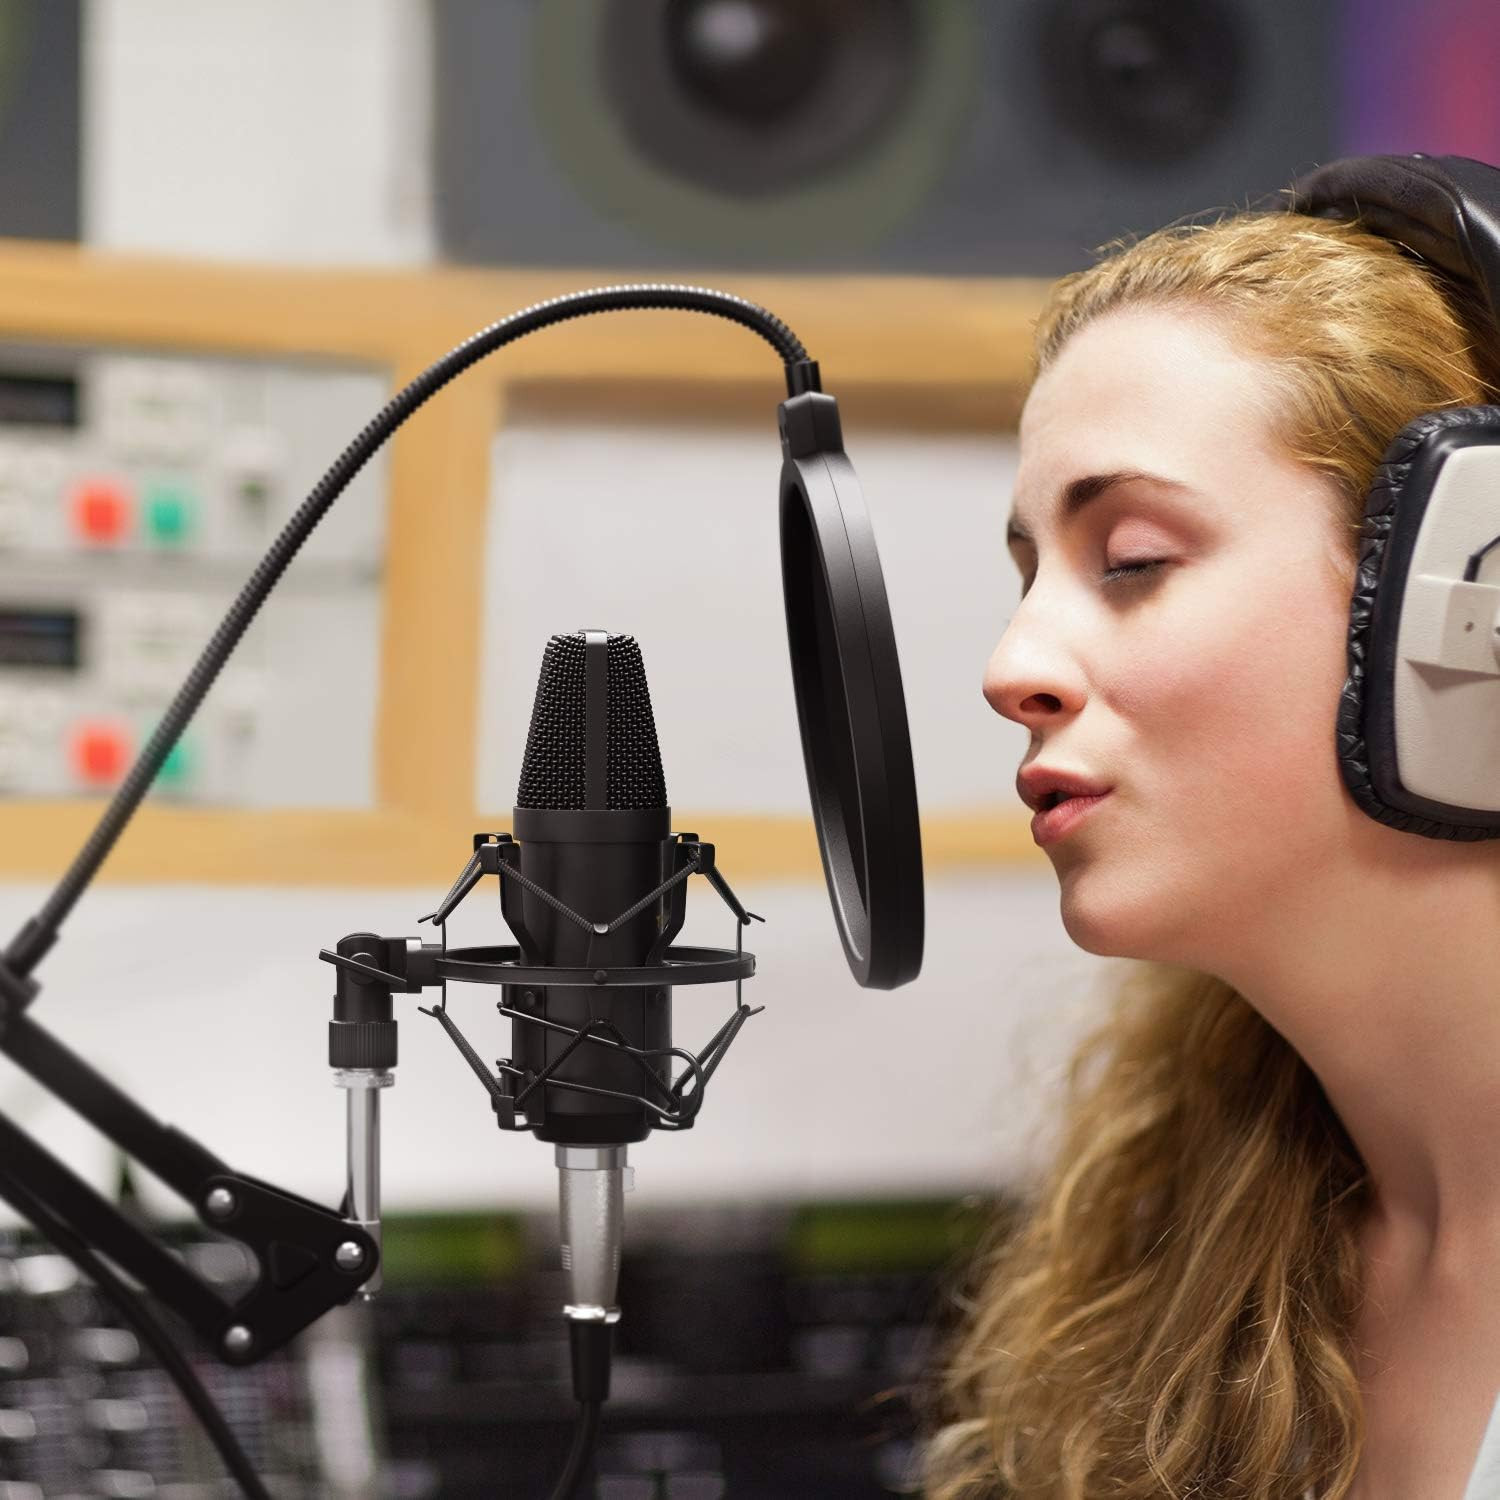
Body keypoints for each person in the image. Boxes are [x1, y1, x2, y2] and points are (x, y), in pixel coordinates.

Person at [920, 200, 1500, 1499]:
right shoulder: (1201, 1251)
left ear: (1468, 594)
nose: (1012, 667)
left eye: (1131, 560)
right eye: (1028, 575)